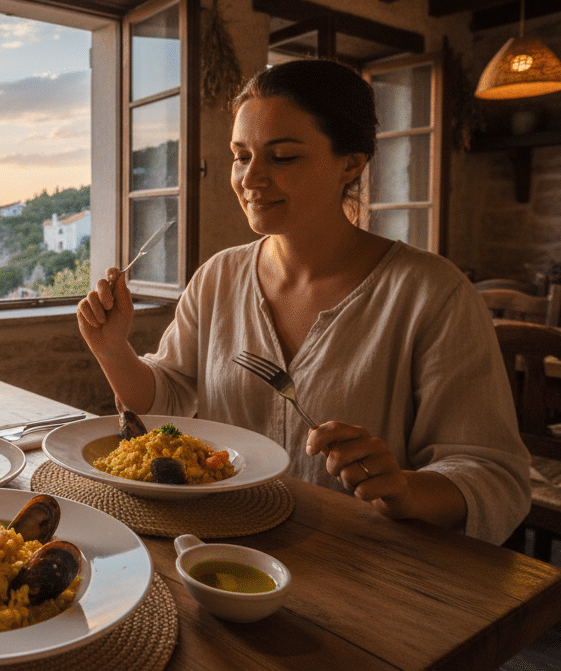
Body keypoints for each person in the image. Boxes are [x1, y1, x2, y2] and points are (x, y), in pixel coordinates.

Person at [76, 59, 530, 544]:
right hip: (216, 550)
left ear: (351, 164)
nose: (251, 178)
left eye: (284, 157)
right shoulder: (218, 277)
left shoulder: (430, 294)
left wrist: (405, 489)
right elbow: (169, 400)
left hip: (358, 565)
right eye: (240, 155)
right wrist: (111, 348)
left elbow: (493, 475)